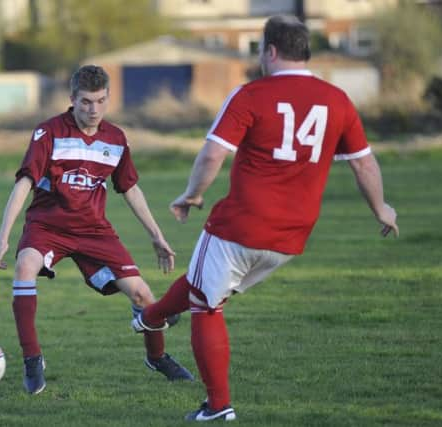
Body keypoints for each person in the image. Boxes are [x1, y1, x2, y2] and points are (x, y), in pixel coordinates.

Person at [131, 15, 399, 422]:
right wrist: (381, 209)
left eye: (260, 50)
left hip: (242, 224)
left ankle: (217, 407)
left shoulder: (250, 95)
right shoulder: (338, 99)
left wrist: (193, 194)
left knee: (206, 305)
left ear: (270, 51)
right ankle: (150, 317)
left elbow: (213, 154)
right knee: (208, 285)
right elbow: (364, 164)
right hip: (292, 238)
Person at [0, 64, 193, 395]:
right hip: (47, 226)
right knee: (25, 266)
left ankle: (156, 358)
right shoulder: (49, 133)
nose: (93, 109)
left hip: (93, 232)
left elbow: (129, 188)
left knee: (143, 295)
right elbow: (24, 183)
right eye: (86, 102)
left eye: (100, 101)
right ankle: (32, 359)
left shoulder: (115, 139)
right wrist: (3, 237)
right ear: (72, 99)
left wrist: (157, 236)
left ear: (108, 98)